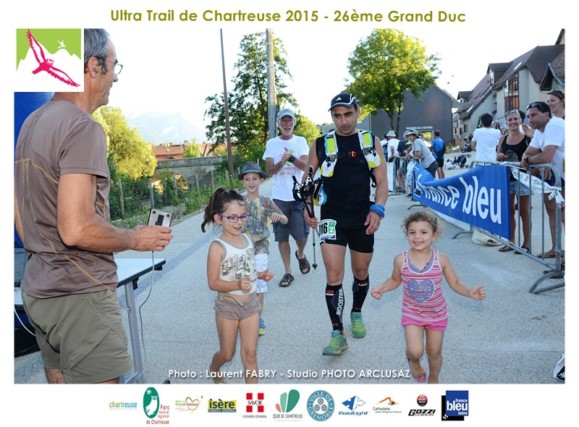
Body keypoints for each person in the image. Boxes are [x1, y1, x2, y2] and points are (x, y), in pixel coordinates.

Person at [13, 29, 173, 384]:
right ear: (93, 65)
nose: (116, 77)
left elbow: (19, 212)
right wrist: (136, 238)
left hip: (39, 291)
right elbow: (75, 228)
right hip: (79, 294)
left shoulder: (30, 124)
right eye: (114, 66)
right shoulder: (81, 127)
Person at [303, 92, 388, 355]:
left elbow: (382, 180)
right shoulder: (320, 144)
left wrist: (378, 209)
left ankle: (357, 311)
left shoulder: (370, 141)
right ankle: (337, 332)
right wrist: (308, 209)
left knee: (360, 272)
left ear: (357, 112)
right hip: (331, 216)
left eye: (347, 114)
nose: (343, 121)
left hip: (363, 216)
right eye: (337, 116)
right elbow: (307, 181)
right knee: (333, 274)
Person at [370, 209, 486, 383]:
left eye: (423, 232)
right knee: (415, 350)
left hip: (437, 314)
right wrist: (382, 288)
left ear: (434, 235)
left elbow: (455, 283)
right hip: (412, 313)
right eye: (412, 233)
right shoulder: (400, 260)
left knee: (434, 351)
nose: (417, 237)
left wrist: (469, 291)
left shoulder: (442, 259)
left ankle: (434, 377)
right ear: (407, 235)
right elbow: (395, 280)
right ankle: (413, 360)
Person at [201, 188, 273, 384]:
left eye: (242, 217)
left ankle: (253, 401)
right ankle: (214, 369)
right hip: (228, 307)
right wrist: (237, 284)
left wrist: (260, 276)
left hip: (251, 304)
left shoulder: (248, 239)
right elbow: (213, 282)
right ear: (218, 219)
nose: (238, 222)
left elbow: (247, 271)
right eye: (231, 218)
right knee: (227, 354)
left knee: (250, 355)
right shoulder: (217, 247)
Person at [238, 162, 288, 336]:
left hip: (260, 247)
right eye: (247, 179)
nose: (251, 182)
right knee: (244, 283)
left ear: (260, 180)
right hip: (241, 248)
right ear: (243, 182)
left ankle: (258, 318)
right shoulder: (238, 203)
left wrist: (277, 216)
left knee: (259, 284)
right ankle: (245, 316)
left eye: (254, 178)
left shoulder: (266, 201)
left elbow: (285, 219)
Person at [263, 108, 310, 288]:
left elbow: (305, 166)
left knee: (302, 235)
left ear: (294, 123)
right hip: (279, 197)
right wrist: (282, 161)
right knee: (282, 237)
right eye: (283, 121)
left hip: (298, 194)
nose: (287, 124)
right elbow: (269, 171)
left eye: (290, 121)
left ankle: (300, 254)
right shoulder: (272, 143)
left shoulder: (301, 141)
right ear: (278, 124)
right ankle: (288, 272)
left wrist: (291, 157)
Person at [521, 101, 565, 259]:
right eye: (528, 116)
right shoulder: (539, 131)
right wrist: (537, 160)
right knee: (552, 210)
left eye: (533, 115)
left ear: (546, 115)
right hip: (558, 175)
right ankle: (556, 249)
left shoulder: (555, 124)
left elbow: (545, 156)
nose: (529, 119)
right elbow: (527, 153)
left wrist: (536, 161)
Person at [496, 109, 531, 254]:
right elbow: (497, 154)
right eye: (510, 120)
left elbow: (533, 154)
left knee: (524, 212)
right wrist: (500, 156)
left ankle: (526, 244)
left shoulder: (527, 138)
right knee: (509, 211)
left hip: (523, 179)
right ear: (506, 122)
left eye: (515, 119)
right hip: (507, 178)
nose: (513, 122)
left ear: (520, 120)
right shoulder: (503, 138)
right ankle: (511, 241)